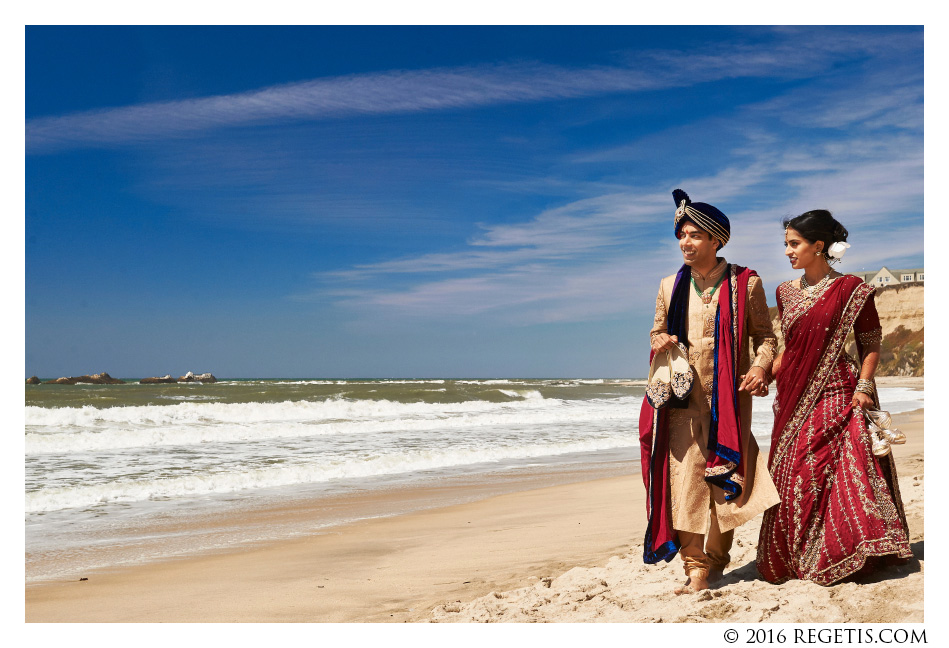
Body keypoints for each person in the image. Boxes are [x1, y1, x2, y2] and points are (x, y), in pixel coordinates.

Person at [755, 210, 912, 585]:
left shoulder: (852, 289)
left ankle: (842, 549)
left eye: (795, 244)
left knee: (824, 469)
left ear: (818, 246)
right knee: (790, 473)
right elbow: (792, 347)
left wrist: (864, 386)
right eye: (786, 244)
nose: (788, 252)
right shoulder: (785, 292)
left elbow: (870, 341)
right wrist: (763, 372)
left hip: (838, 389)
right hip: (792, 394)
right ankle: (796, 557)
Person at [640, 189, 780, 594]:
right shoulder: (669, 285)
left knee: (721, 478)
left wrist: (759, 367)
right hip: (681, 401)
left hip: (729, 402)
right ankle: (695, 568)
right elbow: (654, 331)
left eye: (695, 235)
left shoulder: (744, 282)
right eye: (681, 235)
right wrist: (660, 338)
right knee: (683, 479)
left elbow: (765, 338)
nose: (686, 242)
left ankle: (716, 561)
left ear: (716, 240)